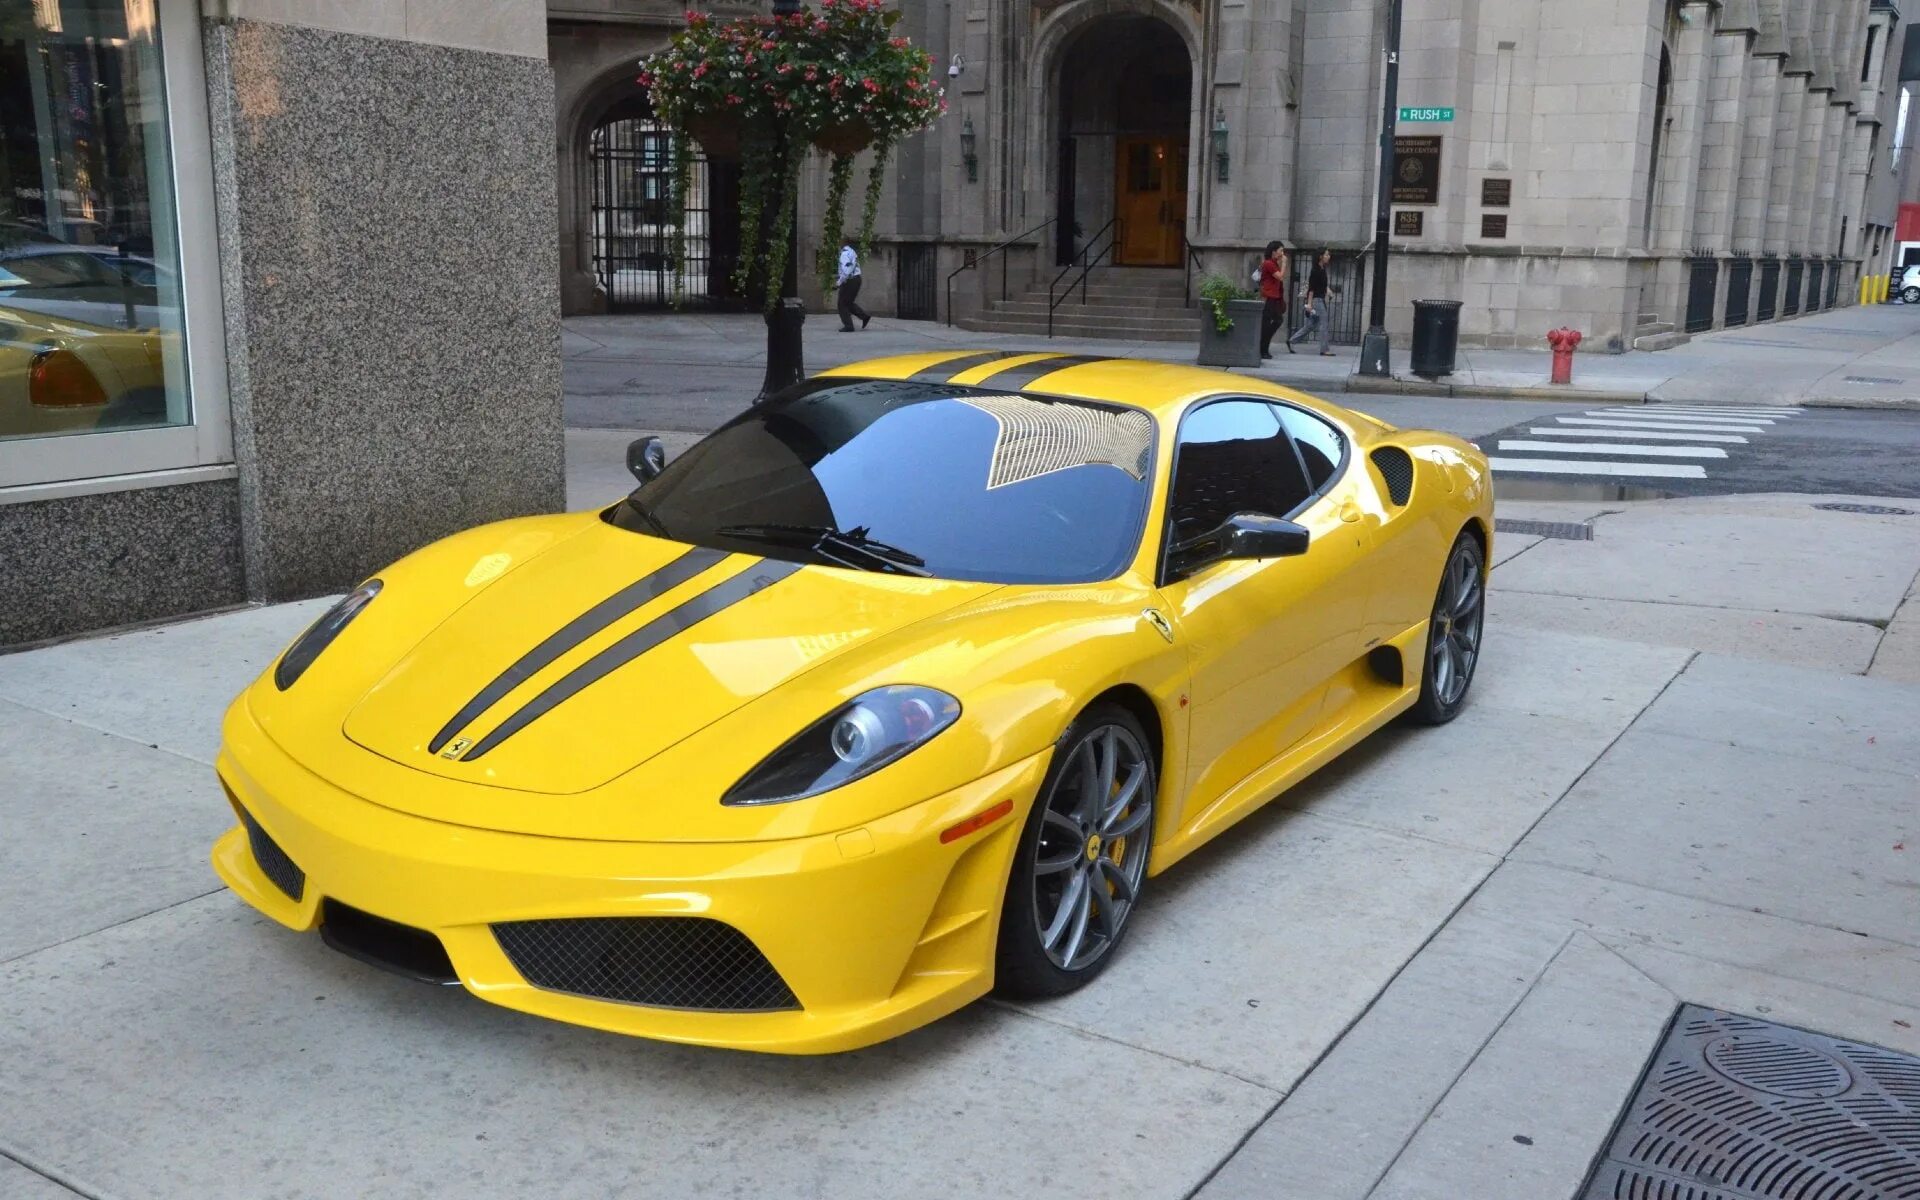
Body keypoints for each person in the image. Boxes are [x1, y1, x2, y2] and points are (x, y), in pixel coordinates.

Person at [1287, 249, 1337, 356]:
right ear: (1320, 256)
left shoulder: (1322, 269)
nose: (1329, 256)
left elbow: (1321, 285)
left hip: (1319, 300)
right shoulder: (1315, 270)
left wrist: (1328, 291)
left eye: (1329, 254)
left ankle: (1291, 341)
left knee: (1310, 325)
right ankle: (1324, 349)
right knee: (1324, 324)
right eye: (1327, 254)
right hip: (1316, 301)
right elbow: (1311, 288)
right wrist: (1309, 304)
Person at [1257, 240, 1289, 359]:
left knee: (1276, 321)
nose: (1282, 253)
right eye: (1281, 250)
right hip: (1269, 297)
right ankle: (1262, 349)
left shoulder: (1273, 263)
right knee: (1268, 324)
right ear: (1274, 251)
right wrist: (1284, 263)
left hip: (1274, 297)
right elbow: (1280, 277)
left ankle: (1263, 347)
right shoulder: (1269, 263)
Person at [836, 239, 870, 332]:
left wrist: (839, 282)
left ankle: (849, 326)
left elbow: (846, 270)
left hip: (850, 280)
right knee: (848, 302)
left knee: (842, 304)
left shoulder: (844, 254)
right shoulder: (852, 252)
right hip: (856, 279)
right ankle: (864, 316)